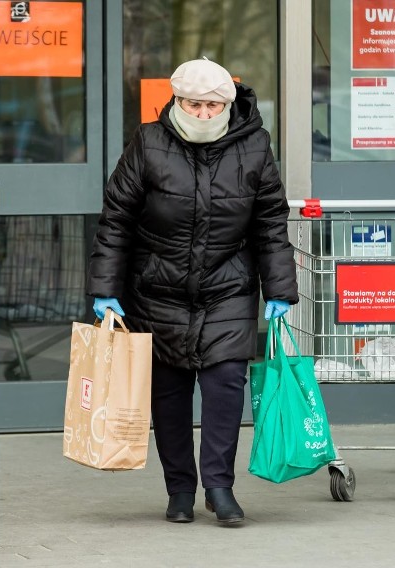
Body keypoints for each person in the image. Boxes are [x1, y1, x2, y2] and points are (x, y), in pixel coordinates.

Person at [87, 58, 298, 525]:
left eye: (212, 105)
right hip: (157, 288)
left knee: (225, 386)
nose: (203, 114)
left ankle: (220, 487)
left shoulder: (255, 146)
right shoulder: (149, 142)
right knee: (170, 394)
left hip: (228, 285)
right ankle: (179, 490)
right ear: (177, 102)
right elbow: (116, 220)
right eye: (193, 104)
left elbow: (270, 224)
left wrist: (280, 289)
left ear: (227, 104)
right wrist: (105, 289)